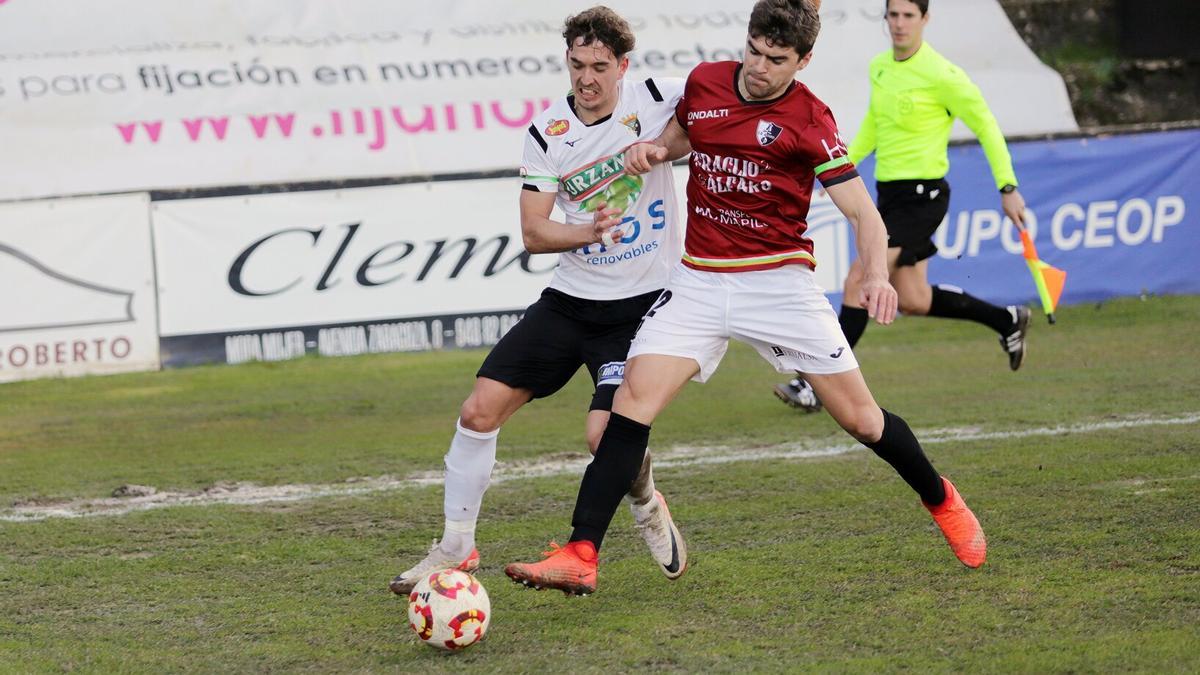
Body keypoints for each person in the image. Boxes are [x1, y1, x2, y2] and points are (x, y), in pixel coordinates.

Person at [504, 0, 986, 597]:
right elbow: (681, 137)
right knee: (630, 404)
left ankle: (941, 498)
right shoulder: (707, 82)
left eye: (776, 59)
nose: (758, 67)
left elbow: (863, 211)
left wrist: (876, 274)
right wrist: (656, 150)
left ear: (804, 60)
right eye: (754, 50)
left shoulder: (811, 118)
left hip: (778, 284)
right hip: (699, 280)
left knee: (862, 420)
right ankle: (581, 552)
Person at [388, 6, 688, 596]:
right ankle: (456, 546)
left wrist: (658, 146)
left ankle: (646, 499)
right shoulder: (546, 133)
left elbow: (711, 114)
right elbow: (533, 233)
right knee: (478, 410)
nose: (586, 78)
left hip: (641, 306)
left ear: (623, 65)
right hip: (570, 300)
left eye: (600, 66)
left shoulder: (656, 95)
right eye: (576, 65)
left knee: (606, 437)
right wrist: (587, 231)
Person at [775, 0, 1031, 413]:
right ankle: (1007, 320)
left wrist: (1008, 186)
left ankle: (816, 385)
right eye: (893, 15)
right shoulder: (881, 67)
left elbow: (986, 126)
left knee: (860, 277)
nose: (899, 23)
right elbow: (874, 126)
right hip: (889, 196)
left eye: (908, 15)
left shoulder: (943, 75)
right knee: (912, 297)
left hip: (923, 197)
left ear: (925, 20)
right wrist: (837, 169)